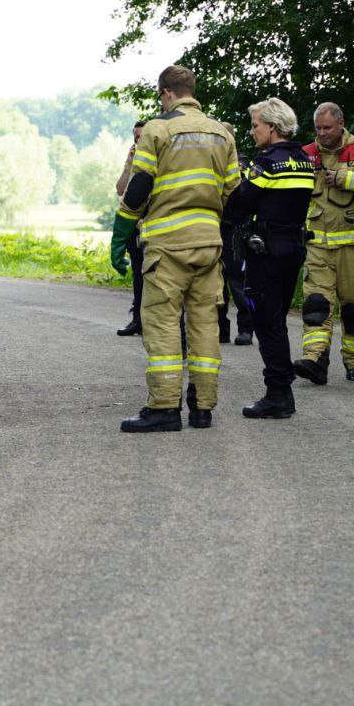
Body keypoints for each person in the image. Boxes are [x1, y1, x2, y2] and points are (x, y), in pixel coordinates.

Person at [110, 65, 240, 432]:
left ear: (167, 93)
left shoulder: (159, 128)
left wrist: (121, 232)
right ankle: (203, 408)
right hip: (208, 245)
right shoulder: (221, 134)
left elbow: (139, 187)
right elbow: (235, 193)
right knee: (204, 325)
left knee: (164, 324)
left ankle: (165, 408)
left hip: (168, 247)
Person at [223, 97, 315, 418]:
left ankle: (278, 394)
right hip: (293, 249)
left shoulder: (266, 163)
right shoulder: (304, 159)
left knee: (266, 321)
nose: (252, 132)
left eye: (256, 125)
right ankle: (281, 387)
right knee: (277, 319)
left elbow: (239, 205)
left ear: (272, 127)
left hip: (266, 251)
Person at [294, 102, 354, 384]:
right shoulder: (307, 154)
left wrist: (346, 178)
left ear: (341, 123)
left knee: (353, 309)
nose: (322, 133)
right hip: (317, 246)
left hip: (353, 246)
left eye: (327, 127)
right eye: (318, 128)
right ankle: (315, 359)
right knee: (315, 306)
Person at [217, 122, 254, 346]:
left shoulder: (243, 162)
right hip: (215, 226)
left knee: (239, 282)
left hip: (237, 228)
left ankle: (246, 328)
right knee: (216, 282)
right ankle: (221, 329)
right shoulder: (211, 160)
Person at [114, 120, 148, 336]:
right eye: (136, 137)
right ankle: (137, 320)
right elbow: (120, 190)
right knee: (138, 275)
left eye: (143, 136)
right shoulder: (135, 163)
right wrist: (128, 164)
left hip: (154, 227)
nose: (139, 140)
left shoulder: (159, 158)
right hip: (133, 229)